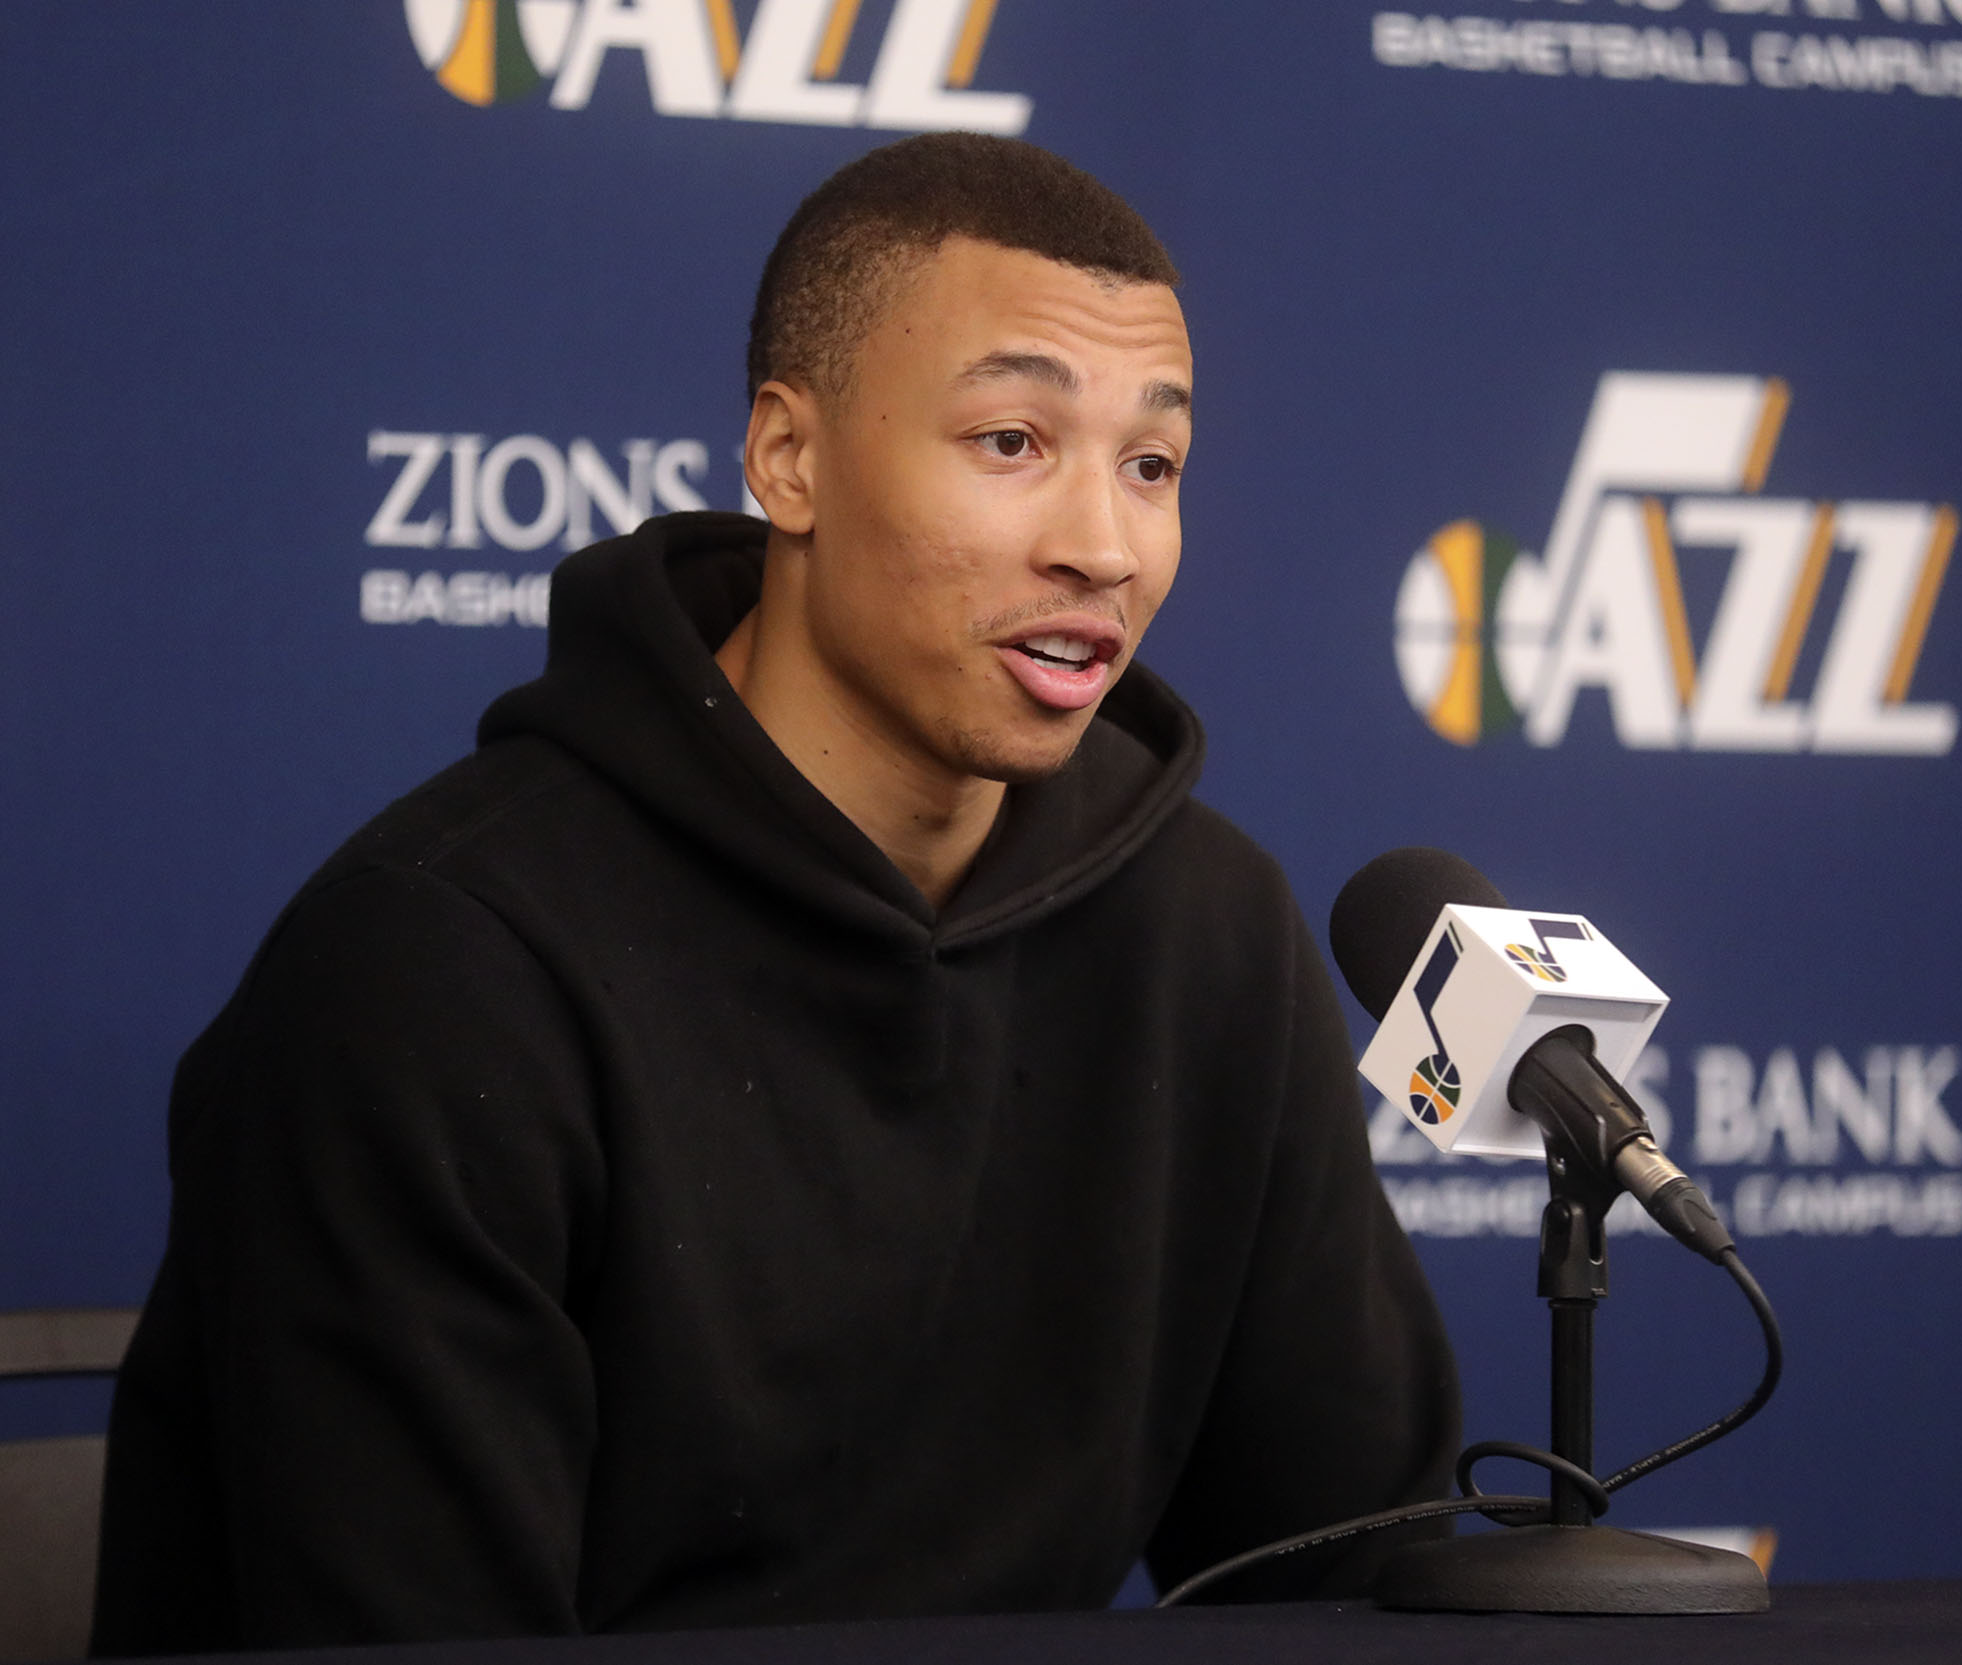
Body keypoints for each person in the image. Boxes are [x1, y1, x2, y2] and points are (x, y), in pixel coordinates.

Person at [90, 134, 1458, 1652]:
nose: (1104, 546)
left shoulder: (1211, 936)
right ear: (787, 459)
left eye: (1153, 465)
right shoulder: (438, 963)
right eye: (1012, 441)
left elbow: (1361, 1581)